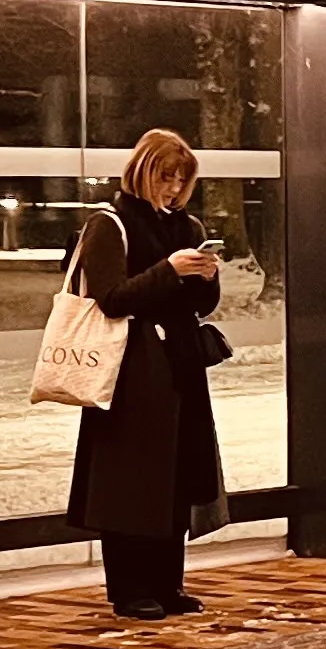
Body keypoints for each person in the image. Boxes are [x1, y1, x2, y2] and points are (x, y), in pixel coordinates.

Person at [66, 127, 228, 618]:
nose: (174, 187)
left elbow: (197, 305)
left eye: (182, 178)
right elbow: (111, 297)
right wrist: (170, 271)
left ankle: (167, 582)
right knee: (131, 478)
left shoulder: (186, 227)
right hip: (130, 367)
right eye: (166, 175)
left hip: (178, 362)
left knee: (179, 471)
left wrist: (205, 277)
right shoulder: (109, 224)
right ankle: (130, 587)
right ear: (143, 171)